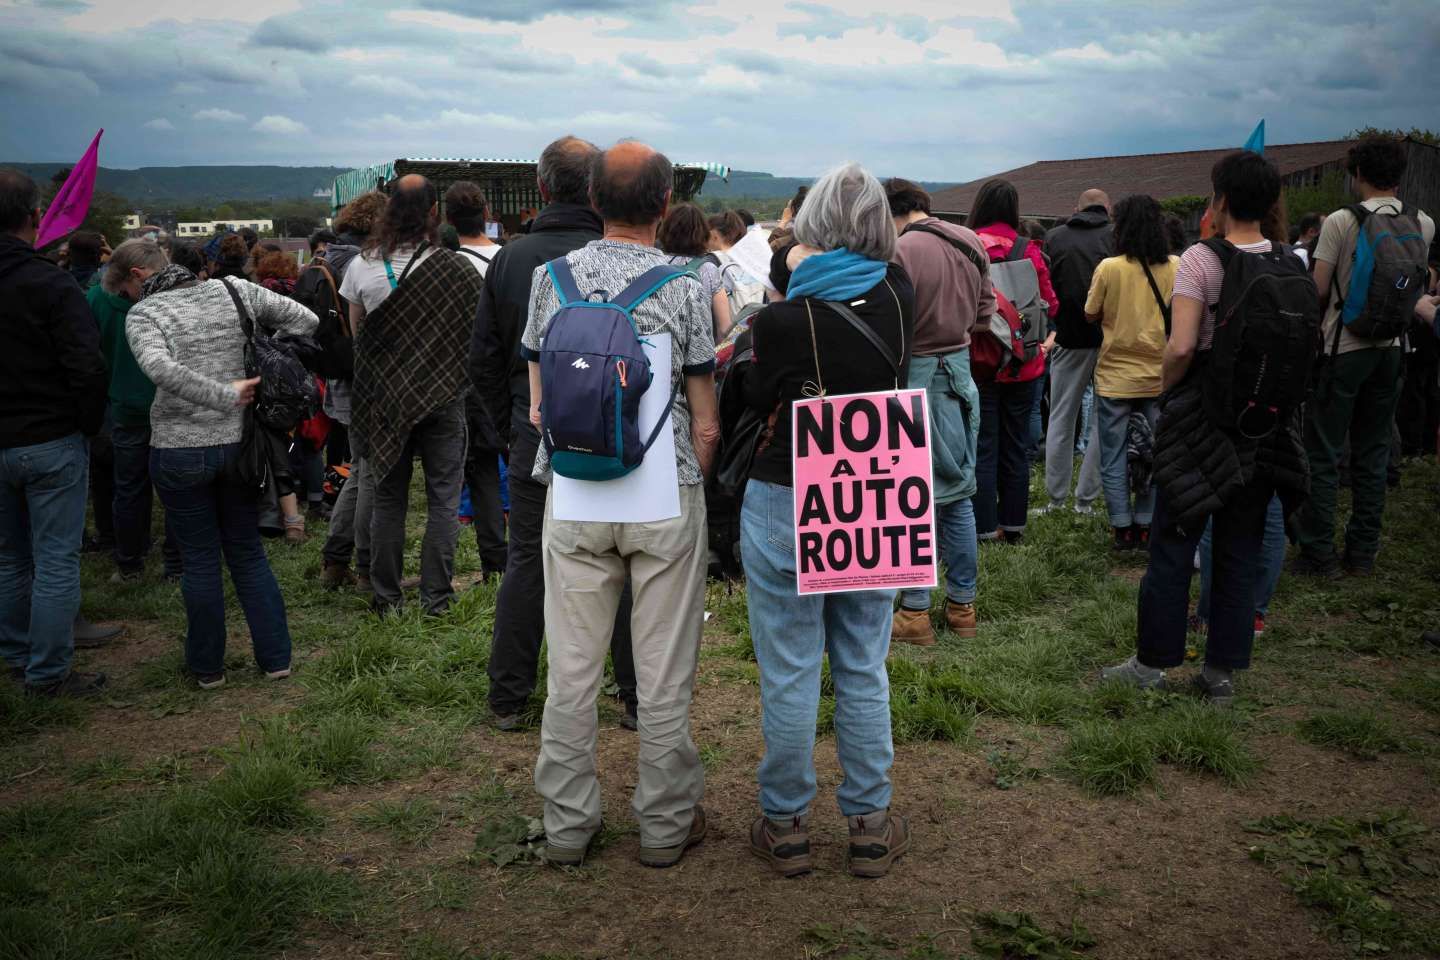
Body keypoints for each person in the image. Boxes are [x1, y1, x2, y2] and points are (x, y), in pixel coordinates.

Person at [521, 141, 719, 870]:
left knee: (571, 672)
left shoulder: (550, 279)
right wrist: (694, 475)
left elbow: (539, 406)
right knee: (664, 674)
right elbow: (704, 416)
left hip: (574, 494)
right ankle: (665, 827)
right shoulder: (688, 286)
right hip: (662, 494)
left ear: (593, 201)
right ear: (665, 204)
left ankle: (568, 826)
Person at [741, 163, 916, 879]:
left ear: (808, 228)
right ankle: (870, 822)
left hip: (785, 493)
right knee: (863, 664)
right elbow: (864, 268)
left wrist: (792, 259)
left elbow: (753, 392)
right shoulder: (900, 297)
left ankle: (785, 823)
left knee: (789, 672)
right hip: (876, 493)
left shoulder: (779, 321)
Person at [1101, 150, 1312, 705]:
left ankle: (1151, 663)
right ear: (1271, 203)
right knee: (1239, 549)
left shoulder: (1201, 259)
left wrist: (1168, 388)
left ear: (1218, 199)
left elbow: (1182, 344)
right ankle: (1221, 672)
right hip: (1265, 426)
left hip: (1201, 424)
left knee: (1173, 544)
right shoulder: (1293, 262)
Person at [470, 136, 640, 732]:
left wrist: (510, 426)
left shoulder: (513, 259)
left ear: (542, 189)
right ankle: (635, 696)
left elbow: (485, 359)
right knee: (623, 557)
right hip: (619, 436)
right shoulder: (627, 255)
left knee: (527, 562)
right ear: (596, 191)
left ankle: (508, 698)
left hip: (534, 429)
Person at [126, 255, 316, 687]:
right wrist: (263, 357)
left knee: (199, 560)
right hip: (242, 445)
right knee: (247, 552)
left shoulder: (145, 313)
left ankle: (207, 668)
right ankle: (275, 659)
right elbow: (304, 319)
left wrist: (220, 393)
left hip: (178, 449)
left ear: (141, 278)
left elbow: (158, 368)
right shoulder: (235, 290)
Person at [1294, 137, 1435, 577]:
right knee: (1374, 454)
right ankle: (1362, 552)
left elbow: (1318, 289)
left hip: (1343, 346)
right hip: (1393, 348)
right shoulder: (1423, 221)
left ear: (1357, 174)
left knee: (1325, 450)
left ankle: (1318, 552)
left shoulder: (1341, 221)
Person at [345, 175, 481, 616]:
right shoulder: (456, 267)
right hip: (444, 398)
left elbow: (359, 339)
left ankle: (386, 599)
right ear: (431, 213)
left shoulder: (362, 266)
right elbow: (473, 337)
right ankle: (436, 598)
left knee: (389, 498)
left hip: (385, 402)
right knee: (443, 498)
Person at [0, 170, 113, 696]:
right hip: (51, 438)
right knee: (54, 558)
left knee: (9, 557)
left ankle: (19, 655)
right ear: (34, 217)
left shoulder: (51, 278)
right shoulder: (50, 282)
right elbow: (87, 366)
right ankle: (47, 673)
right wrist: (86, 425)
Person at [885, 177, 989, 646]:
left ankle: (914, 611)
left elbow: (889, 322)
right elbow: (987, 314)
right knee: (959, 495)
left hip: (916, 377)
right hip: (962, 375)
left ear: (893, 212)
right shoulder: (970, 240)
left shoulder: (902, 251)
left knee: (913, 501)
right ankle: (963, 607)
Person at [1084, 195, 1177, 550]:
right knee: (1156, 453)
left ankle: (1121, 526)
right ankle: (1146, 522)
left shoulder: (1109, 268)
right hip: (1159, 375)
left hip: (1114, 376)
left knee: (1114, 453)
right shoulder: (1176, 266)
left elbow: (1091, 313)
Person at [968, 179, 1058, 543]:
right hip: (1026, 362)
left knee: (983, 446)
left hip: (982, 360)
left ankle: (984, 527)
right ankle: (1014, 526)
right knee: (1017, 445)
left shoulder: (968, 246)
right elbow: (1051, 303)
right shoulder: (1028, 249)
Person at [89, 238, 181, 583]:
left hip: (123, 406)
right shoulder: (165, 299)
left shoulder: (95, 299)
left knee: (128, 486)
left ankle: (129, 561)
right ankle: (175, 563)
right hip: (166, 403)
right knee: (174, 487)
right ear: (137, 273)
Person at [318, 191, 385, 591]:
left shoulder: (328, 259)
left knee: (360, 470)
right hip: (365, 379)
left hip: (340, 375)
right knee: (370, 474)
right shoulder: (362, 263)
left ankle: (335, 561)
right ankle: (365, 569)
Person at [444, 180, 507, 581]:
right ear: (486, 213)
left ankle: (481, 565)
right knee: (502, 468)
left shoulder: (444, 265)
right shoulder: (509, 259)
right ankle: (508, 560)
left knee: (462, 473)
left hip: (456, 381)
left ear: (448, 219)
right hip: (501, 378)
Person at [1041, 189, 1112, 513]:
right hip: (1109, 339)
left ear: (1076, 209)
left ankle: (1056, 499)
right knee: (1102, 419)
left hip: (1068, 338)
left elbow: (1047, 289)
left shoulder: (1054, 238)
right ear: (1107, 209)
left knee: (1060, 418)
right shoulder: (1117, 237)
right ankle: (1086, 499)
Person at [657, 201, 731, 338]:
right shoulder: (709, 270)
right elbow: (724, 327)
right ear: (703, 233)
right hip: (700, 353)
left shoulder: (655, 264)